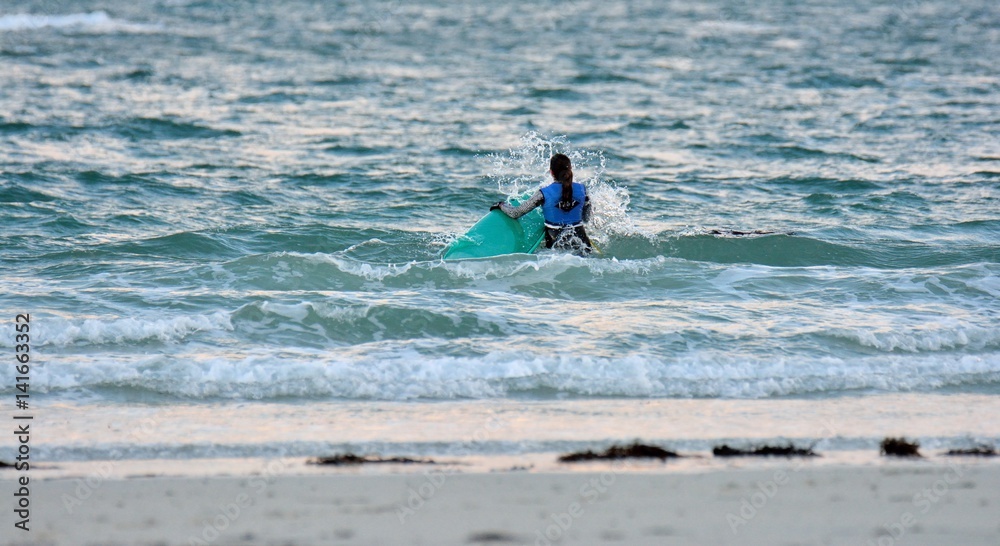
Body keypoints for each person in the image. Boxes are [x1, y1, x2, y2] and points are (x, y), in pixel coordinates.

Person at [490, 153, 594, 256]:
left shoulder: (543, 193)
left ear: (551, 172)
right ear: (570, 169)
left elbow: (516, 213)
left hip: (556, 248)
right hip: (583, 243)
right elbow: (586, 218)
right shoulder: (582, 189)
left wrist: (501, 205)